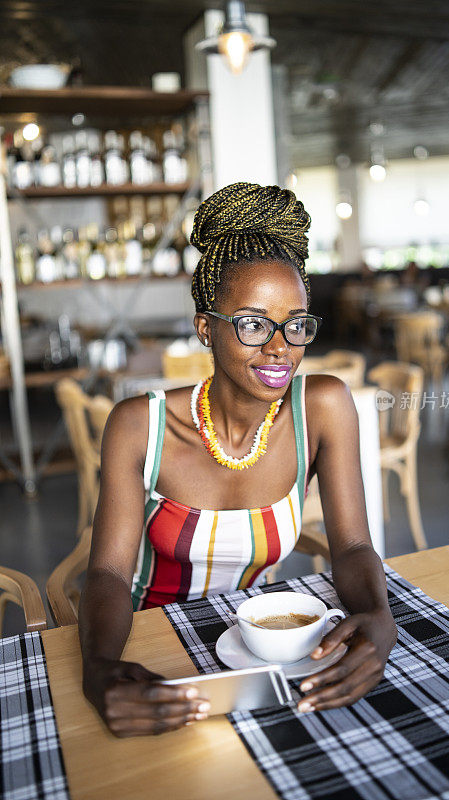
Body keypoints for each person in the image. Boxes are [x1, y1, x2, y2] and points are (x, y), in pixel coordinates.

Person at [79, 182, 397, 737]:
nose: (280, 347)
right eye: (252, 323)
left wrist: (380, 619)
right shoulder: (140, 425)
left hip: (257, 645)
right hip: (150, 642)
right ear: (207, 328)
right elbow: (108, 572)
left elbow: (351, 547)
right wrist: (98, 668)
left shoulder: (322, 406)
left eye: (296, 323)